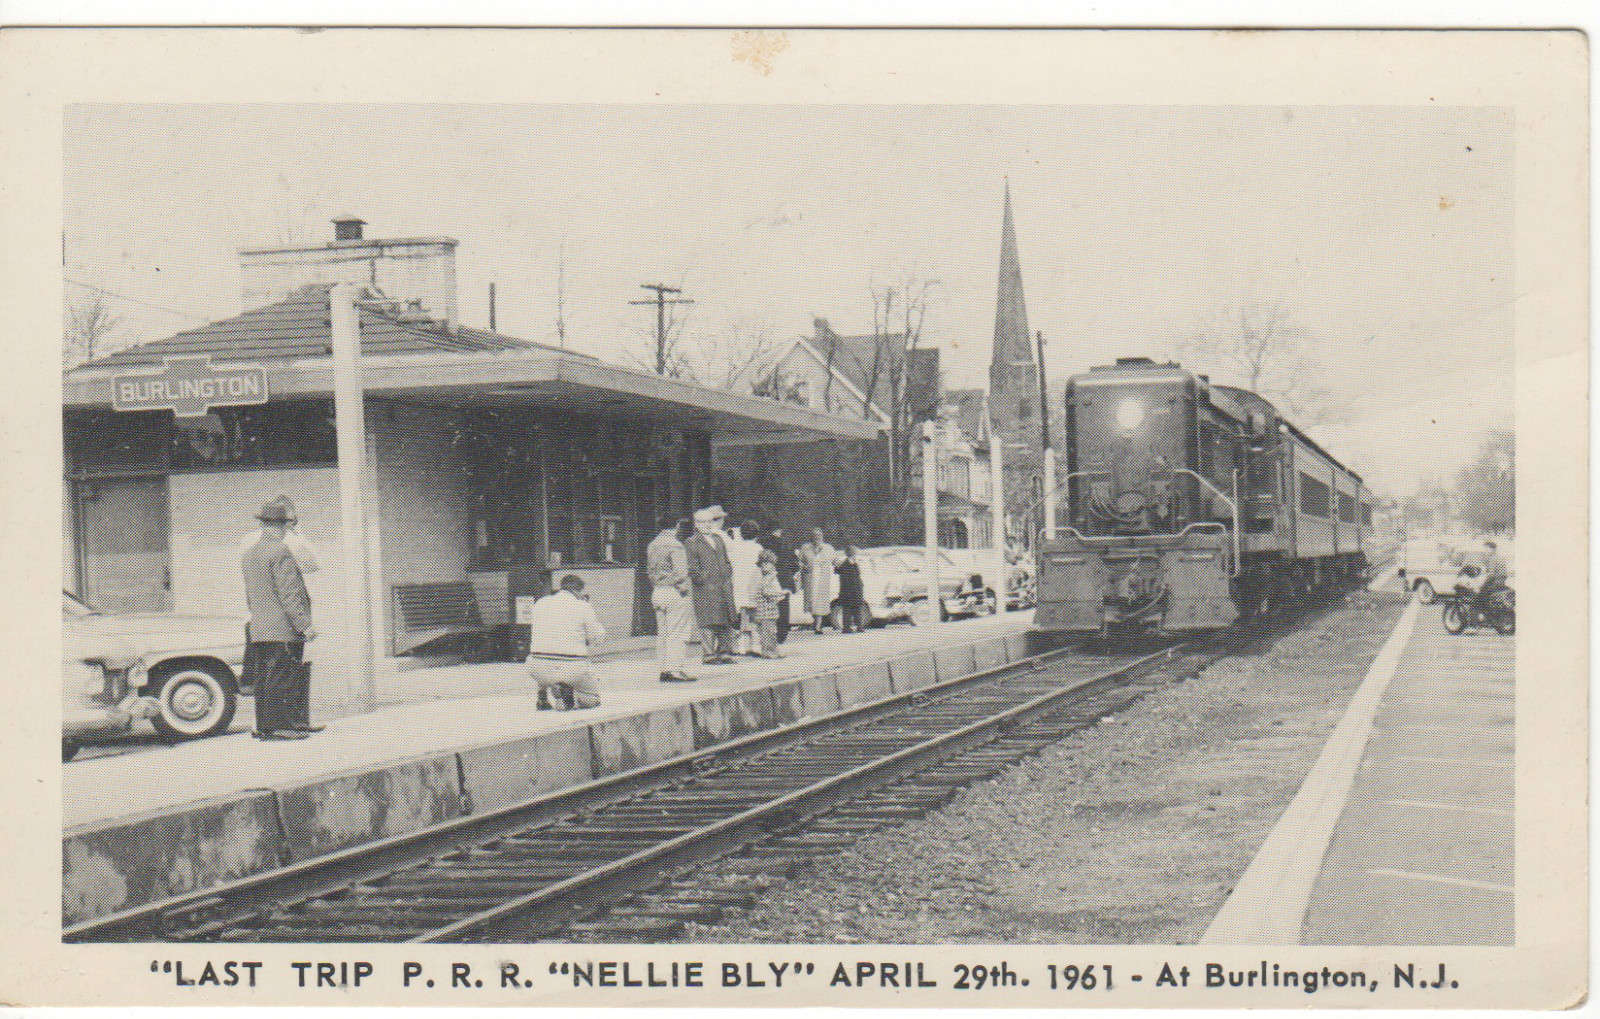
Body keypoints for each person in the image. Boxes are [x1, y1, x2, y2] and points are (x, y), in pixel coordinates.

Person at [239, 494, 323, 732]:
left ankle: (265, 728)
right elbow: (289, 594)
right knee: (283, 677)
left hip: (259, 627)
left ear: (262, 523)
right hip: (283, 628)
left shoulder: (249, 553)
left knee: (264, 678)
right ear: (285, 525)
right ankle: (283, 727)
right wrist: (304, 625)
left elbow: (251, 594)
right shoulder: (281, 551)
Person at [523, 574, 607, 710]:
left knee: (547, 651)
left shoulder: (540, 603)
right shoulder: (583, 606)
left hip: (536, 668)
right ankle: (567, 694)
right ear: (577, 591)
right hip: (572, 667)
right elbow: (597, 639)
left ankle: (545, 693)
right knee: (592, 700)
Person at [683, 505, 738, 664]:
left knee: (725, 619)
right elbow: (692, 568)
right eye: (703, 522)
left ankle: (724, 652)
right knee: (707, 621)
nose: (707, 525)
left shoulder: (718, 539)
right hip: (706, 588)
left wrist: (727, 573)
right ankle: (709, 654)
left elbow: (726, 561)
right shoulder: (692, 542)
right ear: (696, 524)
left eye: (709, 521)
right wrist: (703, 579)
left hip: (723, 585)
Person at [646, 517, 696, 683]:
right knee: (678, 632)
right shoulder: (676, 545)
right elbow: (681, 573)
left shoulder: (652, 545)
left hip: (658, 591)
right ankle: (675, 669)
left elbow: (650, 570)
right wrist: (681, 588)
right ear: (677, 525)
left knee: (663, 633)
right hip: (674, 591)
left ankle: (664, 669)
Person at [727, 519, 764, 655]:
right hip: (753, 584)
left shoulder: (735, 548)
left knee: (742, 615)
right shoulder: (758, 548)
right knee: (754, 616)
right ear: (756, 534)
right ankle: (755, 645)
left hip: (739, 584)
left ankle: (742, 645)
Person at [798, 528, 838, 634]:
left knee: (820, 602)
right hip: (809, 578)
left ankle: (818, 626)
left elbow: (836, 562)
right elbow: (799, 561)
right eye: (814, 535)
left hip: (822, 579)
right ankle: (815, 623)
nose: (817, 537)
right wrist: (803, 566)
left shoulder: (828, 548)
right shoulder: (805, 548)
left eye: (819, 535)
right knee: (811, 602)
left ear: (822, 536)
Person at [767, 526, 800, 643]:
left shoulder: (767, 544)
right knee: (784, 606)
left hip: (771, 579)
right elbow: (796, 565)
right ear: (780, 531)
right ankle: (782, 634)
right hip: (786, 579)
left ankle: (770, 633)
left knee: (770, 606)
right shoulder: (788, 544)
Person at [753, 550, 786, 659]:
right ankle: (767, 651)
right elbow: (766, 591)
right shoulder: (766, 578)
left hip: (770, 609)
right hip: (764, 610)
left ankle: (774, 650)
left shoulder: (769, 576)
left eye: (770, 564)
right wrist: (779, 593)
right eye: (764, 564)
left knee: (772, 631)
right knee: (766, 632)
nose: (767, 567)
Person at [1474, 539, 1511, 616]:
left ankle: (1482, 615)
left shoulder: (1493, 558)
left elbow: (1491, 575)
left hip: (1496, 582)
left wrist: (1482, 585)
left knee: (1479, 596)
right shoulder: (1499, 557)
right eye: (1485, 549)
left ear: (1493, 549)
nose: (1485, 551)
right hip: (1500, 582)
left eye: (1487, 549)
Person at [835, 545, 866, 633]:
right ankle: (847, 627)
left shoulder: (855, 563)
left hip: (856, 589)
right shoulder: (844, 564)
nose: (855, 554)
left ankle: (859, 626)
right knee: (847, 609)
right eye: (853, 552)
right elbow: (844, 578)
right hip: (848, 590)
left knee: (857, 608)